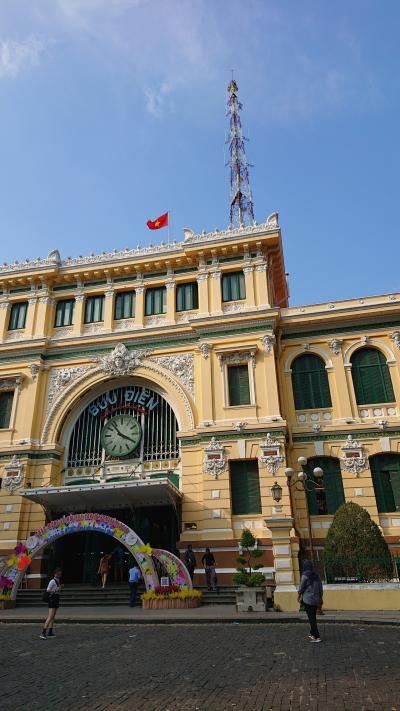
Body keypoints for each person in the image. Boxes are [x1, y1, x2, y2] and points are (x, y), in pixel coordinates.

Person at [298, 560, 323, 643]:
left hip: (307, 599)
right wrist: (320, 598)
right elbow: (320, 588)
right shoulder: (317, 575)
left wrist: (298, 595)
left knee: (311, 618)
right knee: (313, 617)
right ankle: (312, 633)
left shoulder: (305, 575)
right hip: (316, 599)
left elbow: (301, 588)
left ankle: (317, 636)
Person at [40, 568, 62, 640]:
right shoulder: (52, 581)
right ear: (55, 574)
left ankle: (50, 632)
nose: (59, 575)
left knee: (53, 617)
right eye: (58, 574)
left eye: (60, 574)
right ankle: (43, 633)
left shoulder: (58, 581)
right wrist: (56, 590)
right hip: (52, 599)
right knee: (50, 616)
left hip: (56, 598)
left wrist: (59, 588)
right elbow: (48, 590)